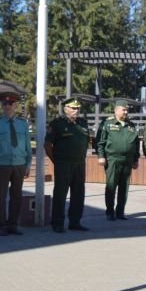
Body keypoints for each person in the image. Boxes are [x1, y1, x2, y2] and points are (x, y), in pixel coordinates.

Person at [0, 93, 32, 236]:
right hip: (2, 165)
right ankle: (1, 225)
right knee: (1, 196)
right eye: (4, 104)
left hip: (19, 164)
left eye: (10, 104)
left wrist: (28, 164)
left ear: (15, 106)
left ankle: (13, 225)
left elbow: (28, 146)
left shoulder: (22, 124)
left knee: (16, 196)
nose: (7, 106)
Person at [45, 97, 90, 233]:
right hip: (63, 164)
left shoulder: (83, 123)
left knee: (78, 193)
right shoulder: (57, 123)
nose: (77, 110)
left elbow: (87, 141)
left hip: (79, 164)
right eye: (73, 108)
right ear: (66, 109)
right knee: (60, 194)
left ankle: (75, 222)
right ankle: (57, 223)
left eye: (78, 108)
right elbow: (47, 145)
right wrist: (56, 161)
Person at [95, 99, 140, 220]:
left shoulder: (131, 125)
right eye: (123, 109)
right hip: (112, 159)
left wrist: (136, 159)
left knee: (124, 188)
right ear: (116, 110)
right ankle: (110, 212)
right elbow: (100, 142)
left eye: (127, 110)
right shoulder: (107, 124)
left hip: (128, 160)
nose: (126, 112)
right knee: (111, 186)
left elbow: (136, 144)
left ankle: (120, 212)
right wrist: (101, 156)